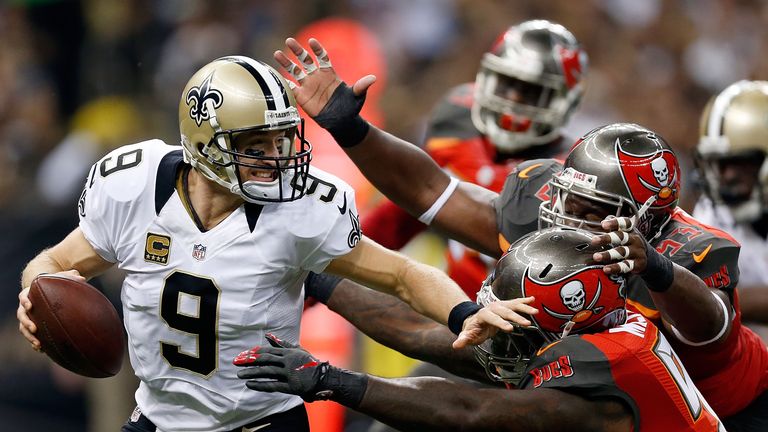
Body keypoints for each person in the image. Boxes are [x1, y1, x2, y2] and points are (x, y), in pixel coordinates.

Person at [273, 37, 768, 429]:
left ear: (646, 219)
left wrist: (657, 269)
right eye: (566, 195)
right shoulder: (547, 204)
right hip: (564, 364)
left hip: (719, 409)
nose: (561, 214)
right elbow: (431, 192)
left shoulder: (691, 257)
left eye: (589, 208)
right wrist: (352, 131)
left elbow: (711, 331)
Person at [16, 56, 529, 432]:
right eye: (254, 146)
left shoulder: (299, 212)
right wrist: (34, 296)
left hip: (261, 424)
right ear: (203, 144)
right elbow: (56, 263)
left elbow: (404, 275)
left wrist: (464, 314)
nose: (275, 157)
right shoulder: (133, 189)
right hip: (157, 420)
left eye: (280, 140)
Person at [235, 227, 726, 431]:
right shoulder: (604, 325)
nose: (501, 333)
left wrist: (330, 381)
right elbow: (417, 333)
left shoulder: (602, 377)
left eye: (517, 323)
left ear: (562, 326)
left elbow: (469, 411)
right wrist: (315, 276)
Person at [363, 19, 586, 296]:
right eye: (507, 83)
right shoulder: (457, 118)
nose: (513, 100)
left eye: (531, 92)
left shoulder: (573, 174)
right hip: (451, 309)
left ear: (566, 101)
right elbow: (407, 211)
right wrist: (342, 252)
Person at [694, 80, 768, 343]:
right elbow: (699, 302)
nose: (726, 177)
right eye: (718, 164)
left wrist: (732, 299)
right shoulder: (713, 211)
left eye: (739, 162)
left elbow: (712, 302)